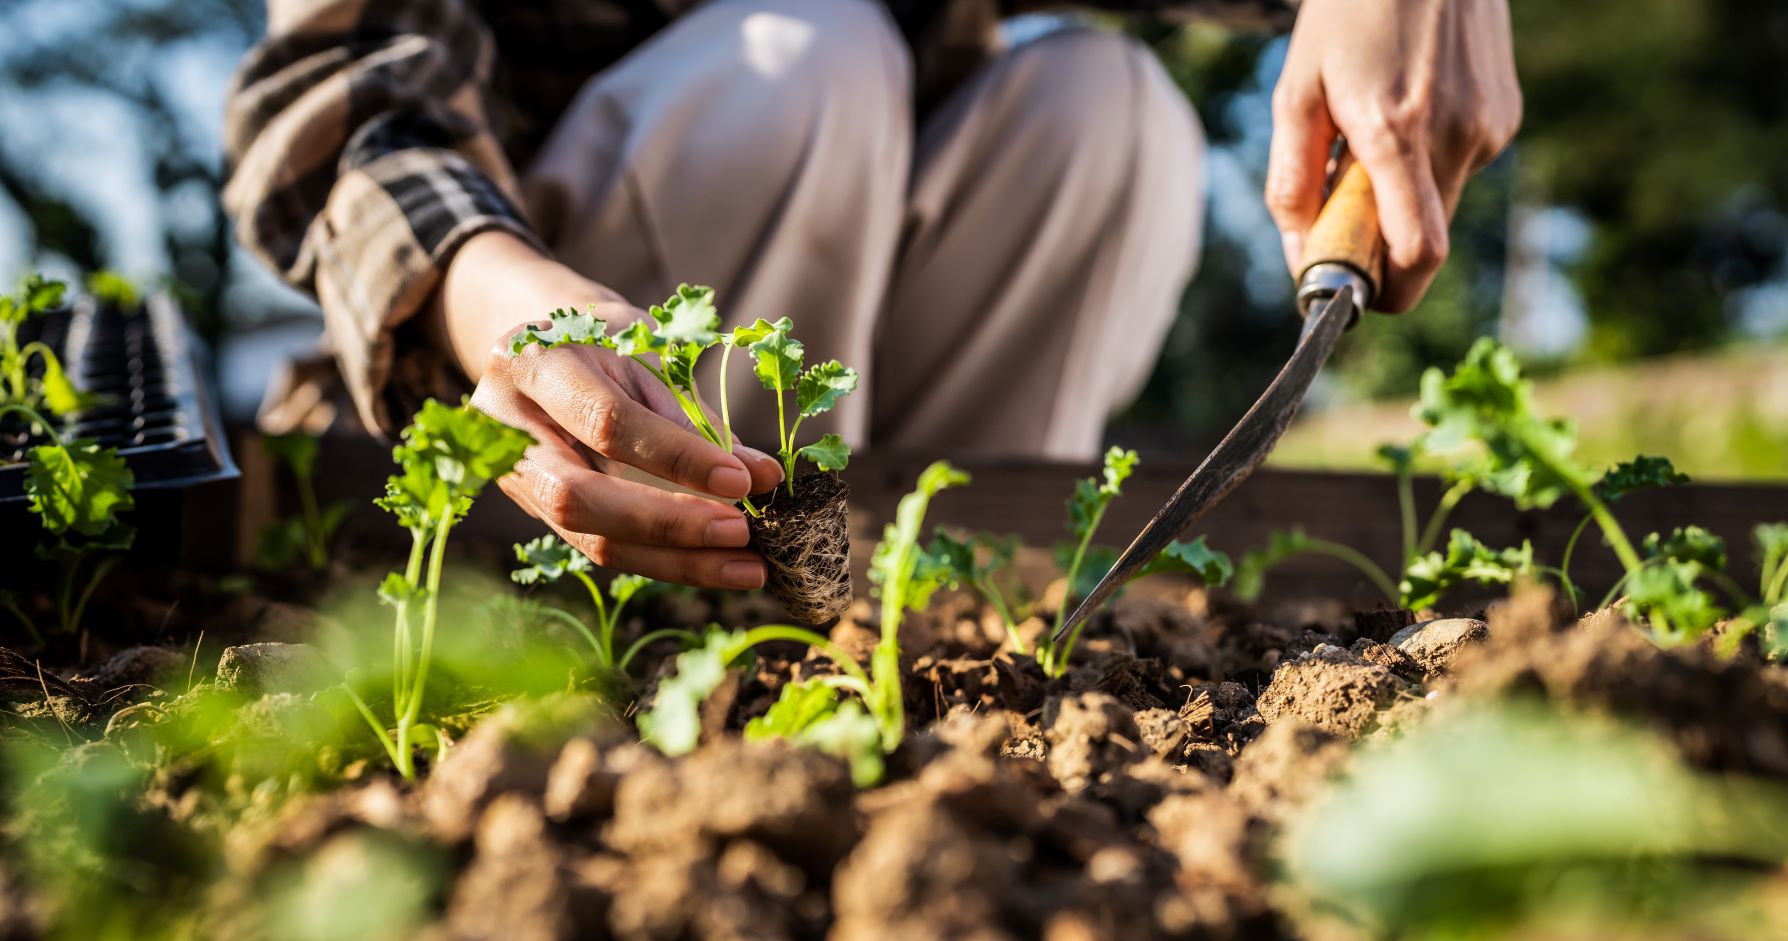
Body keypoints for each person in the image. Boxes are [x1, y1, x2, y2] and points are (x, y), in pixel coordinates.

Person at [226, 0, 1520, 592]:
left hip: (876, 348)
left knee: (1108, 104)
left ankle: (950, 601)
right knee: (808, 52)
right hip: (535, 354)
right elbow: (344, 90)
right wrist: (503, 307)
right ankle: (683, 582)